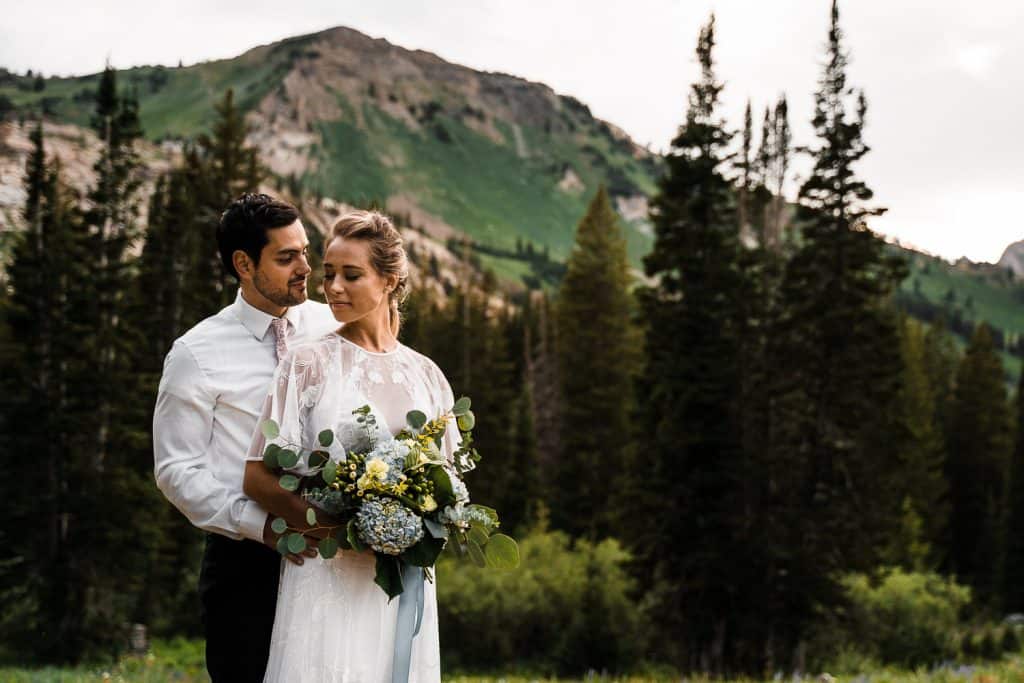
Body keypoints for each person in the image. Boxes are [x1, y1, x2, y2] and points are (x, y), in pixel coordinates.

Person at [243, 210, 461, 682]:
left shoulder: (427, 376)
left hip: (403, 582)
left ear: (389, 280)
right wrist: (332, 529)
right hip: (328, 578)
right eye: (328, 274)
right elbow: (257, 476)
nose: (333, 287)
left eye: (351, 275)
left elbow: (446, 484)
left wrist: (416, 524)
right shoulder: (307, 365)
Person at [153, 193, 340, 683]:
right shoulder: (196, 353)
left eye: (305, 250)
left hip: (333, 558)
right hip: (245, 565)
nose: (305, 267)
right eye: (286, 257)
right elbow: (176, 470)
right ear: (243, 263)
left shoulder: (332, 326)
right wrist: (261, 524)